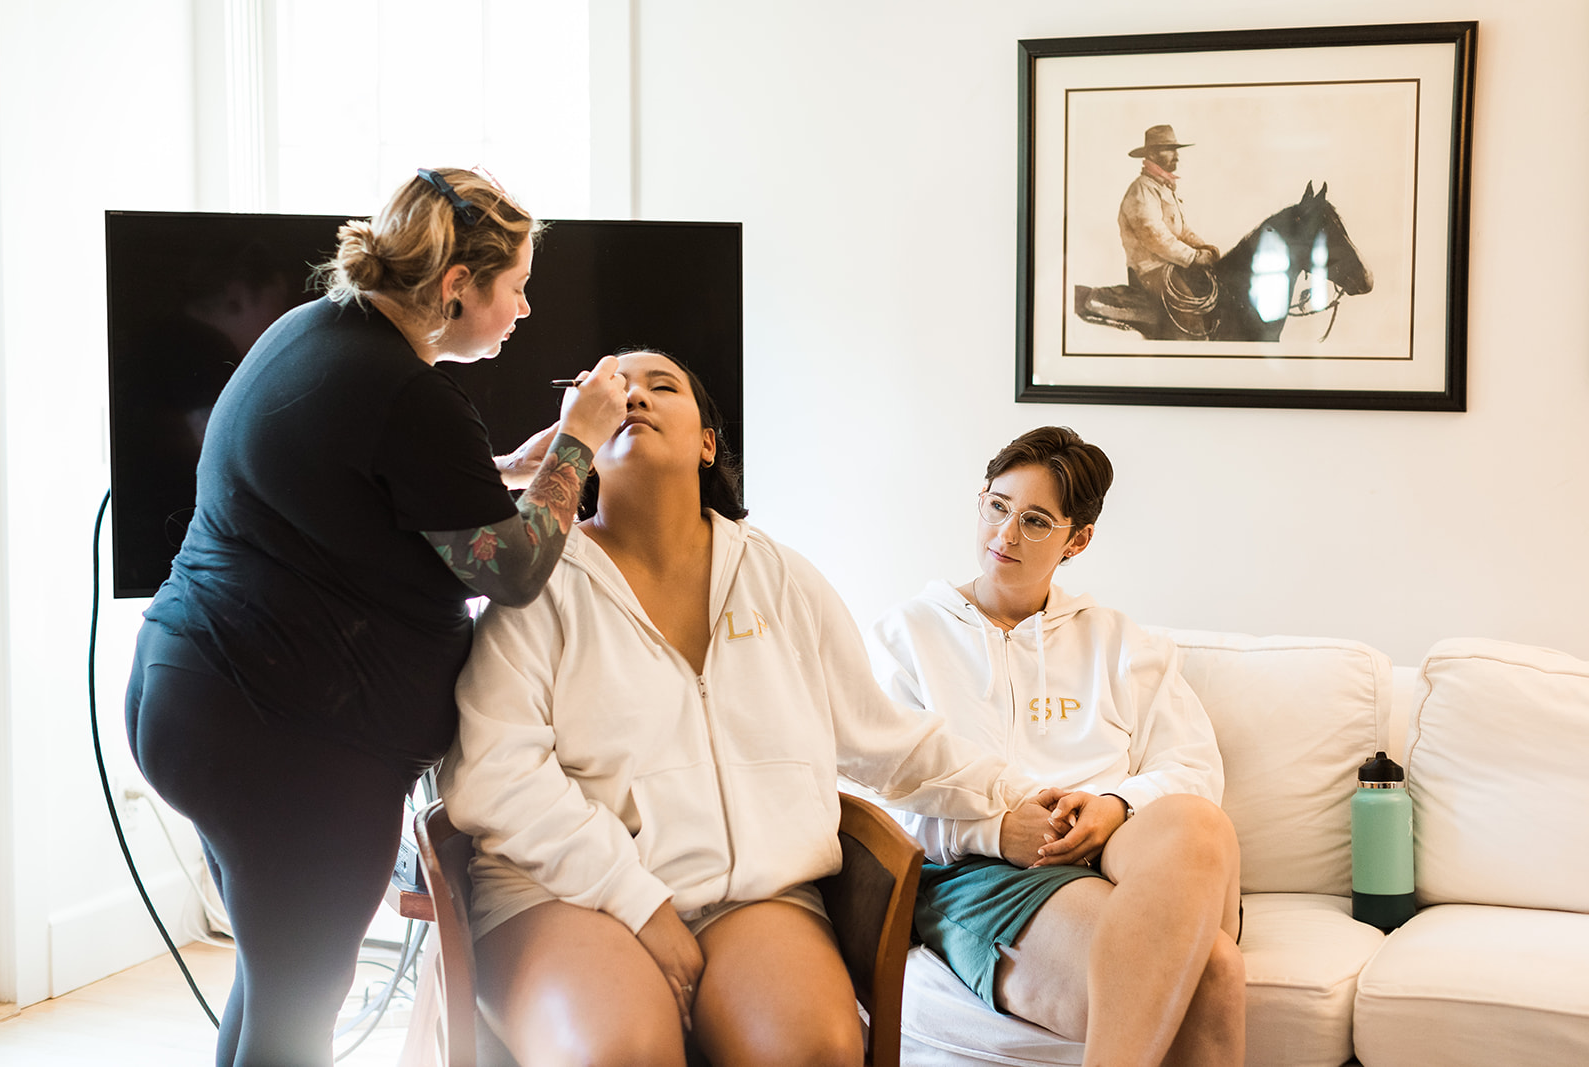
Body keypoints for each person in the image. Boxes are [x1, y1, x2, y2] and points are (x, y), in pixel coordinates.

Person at [124, 167, 629, 1067]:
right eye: (513, 285)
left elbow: (370, 487)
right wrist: (582, 440)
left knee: (277, 982)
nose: (523, 308)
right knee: (298, 1004)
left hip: (197, 695)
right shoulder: (405, 394)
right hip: (282, 743)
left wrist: (509, 471)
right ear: (455, 287)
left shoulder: (319, 332)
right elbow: (510, 570)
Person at [436, 350, 1051, 1067]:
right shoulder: (541, 583)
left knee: (815, 1048)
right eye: (610, 390)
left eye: (661, 385)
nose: (633, 395)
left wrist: (1015, 797)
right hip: (564, 891)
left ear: (707, 443)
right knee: (618, 1052)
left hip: (752, 896)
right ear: (584, 441)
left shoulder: (780, 575)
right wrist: (636, 899)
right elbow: (494, 774)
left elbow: (884, 740)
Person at [866, 426, 1245, 1067]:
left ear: (1077, 540)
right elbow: (876, 793)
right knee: (1213, 972)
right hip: (986, 873)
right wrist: (993, 830)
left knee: (1199, 825)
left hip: (1122, 851)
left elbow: (1195, 767)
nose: (1005, 534)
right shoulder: (907, 637)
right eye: (998, 506)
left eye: (1036, 521)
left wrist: (1115, 808)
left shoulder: (1120, 642)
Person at [1118, 124, 1221, 299]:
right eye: (1170, 150)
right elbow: (1155, 237)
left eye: (1176, 150)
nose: (1177, 156)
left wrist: (1204, 249)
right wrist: (1194, 257)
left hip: (1173, 265)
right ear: (1151, 154)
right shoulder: (1141, 190)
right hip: (1149, 272)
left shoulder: (1164, 187)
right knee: (1192, 314)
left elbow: (1183, 230)